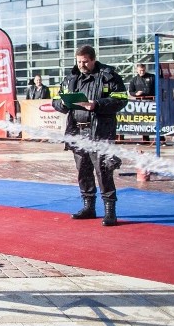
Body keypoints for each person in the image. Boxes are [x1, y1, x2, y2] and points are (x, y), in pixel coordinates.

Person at [52, 45, 127, 226]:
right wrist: (62, 104)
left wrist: (97, 104)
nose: (82, 65)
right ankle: (89, 207)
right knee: (83, 171)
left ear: (93, 59)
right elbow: (55, 101)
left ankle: (110, 211)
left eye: (85, 61)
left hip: (99, 131)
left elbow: (121, 99)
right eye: (79, 62)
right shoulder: (71, 78)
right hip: (77, 131)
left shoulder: (109, 76)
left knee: (103, 171)